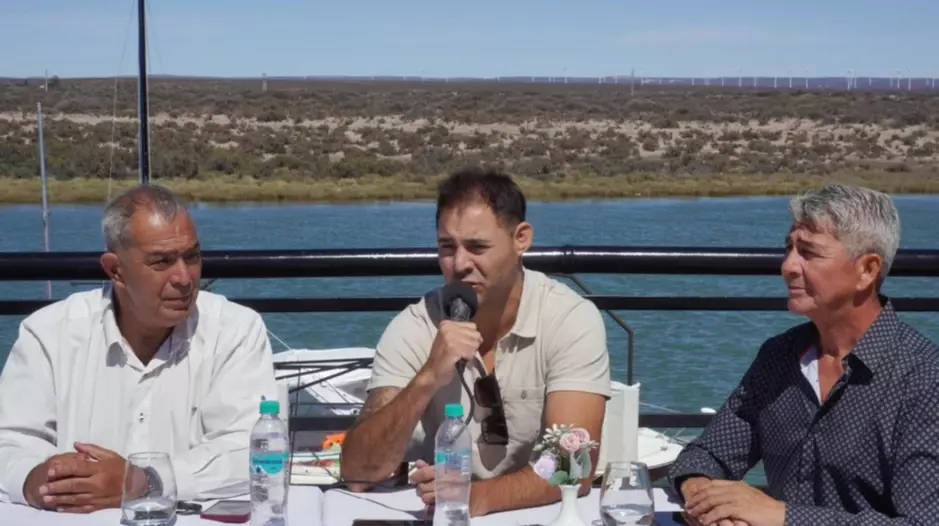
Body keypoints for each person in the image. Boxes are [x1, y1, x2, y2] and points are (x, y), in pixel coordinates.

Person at [340, 167, 611, 516]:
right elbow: (358, 473)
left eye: (477, 247)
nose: (459, 264)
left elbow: (573, 465)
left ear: (521, 239)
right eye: (447, 247)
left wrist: (477, 496)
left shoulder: (568, 318)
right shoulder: (416, 325)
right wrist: (427, 377)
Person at [668, 184, 939, 526]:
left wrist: (782, 515)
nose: (788, 266)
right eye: (789, 249)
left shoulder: (924, 379)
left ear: (867, 270)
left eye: (809, 253)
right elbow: (706, 454)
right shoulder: (780, 356)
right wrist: (704, 497)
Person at [0, 184, 279, 512]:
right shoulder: (49, 333)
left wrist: (146, 482)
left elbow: (254, 450)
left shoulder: (234, 330)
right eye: (161, 262)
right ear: (115, 270)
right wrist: (35, 481)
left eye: (192, 257)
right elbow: (9, 442)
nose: (184, 278)